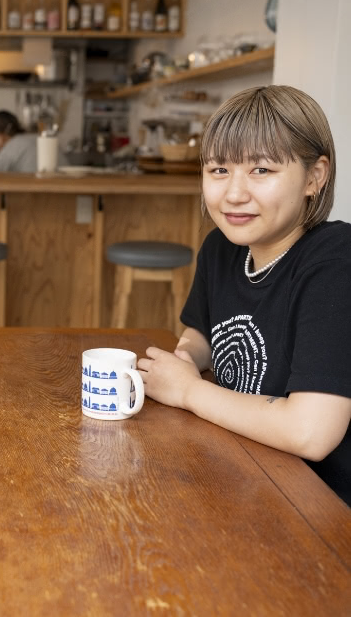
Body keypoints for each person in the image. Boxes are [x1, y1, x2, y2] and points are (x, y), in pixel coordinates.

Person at [137, 85, 351, 504]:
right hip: (243, 474)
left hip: (321, 508)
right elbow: (202, 332)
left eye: (262, 170)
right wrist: (184, 358)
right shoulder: (222, 248)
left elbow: (311, 433)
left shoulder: (335, 260)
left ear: (315, 176)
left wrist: (187, 391)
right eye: (219, 170)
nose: (233, 193)